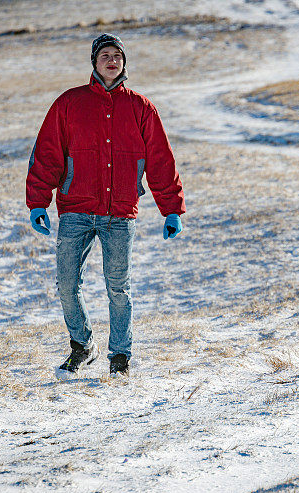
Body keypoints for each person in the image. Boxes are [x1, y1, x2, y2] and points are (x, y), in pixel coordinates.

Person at [26, 33, 185, 379]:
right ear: (94, 63)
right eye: (105, 56)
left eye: (117, 55)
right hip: (75, 210)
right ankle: (83, 345)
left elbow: (160, 159)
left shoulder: (141, 108)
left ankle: (120, 355)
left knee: (118, 287)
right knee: (66, 284)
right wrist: (39, 201)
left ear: (124, 63)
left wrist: (170, 208)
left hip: (119, 213)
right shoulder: (69, 103)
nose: (112, 61)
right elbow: (48, 153)